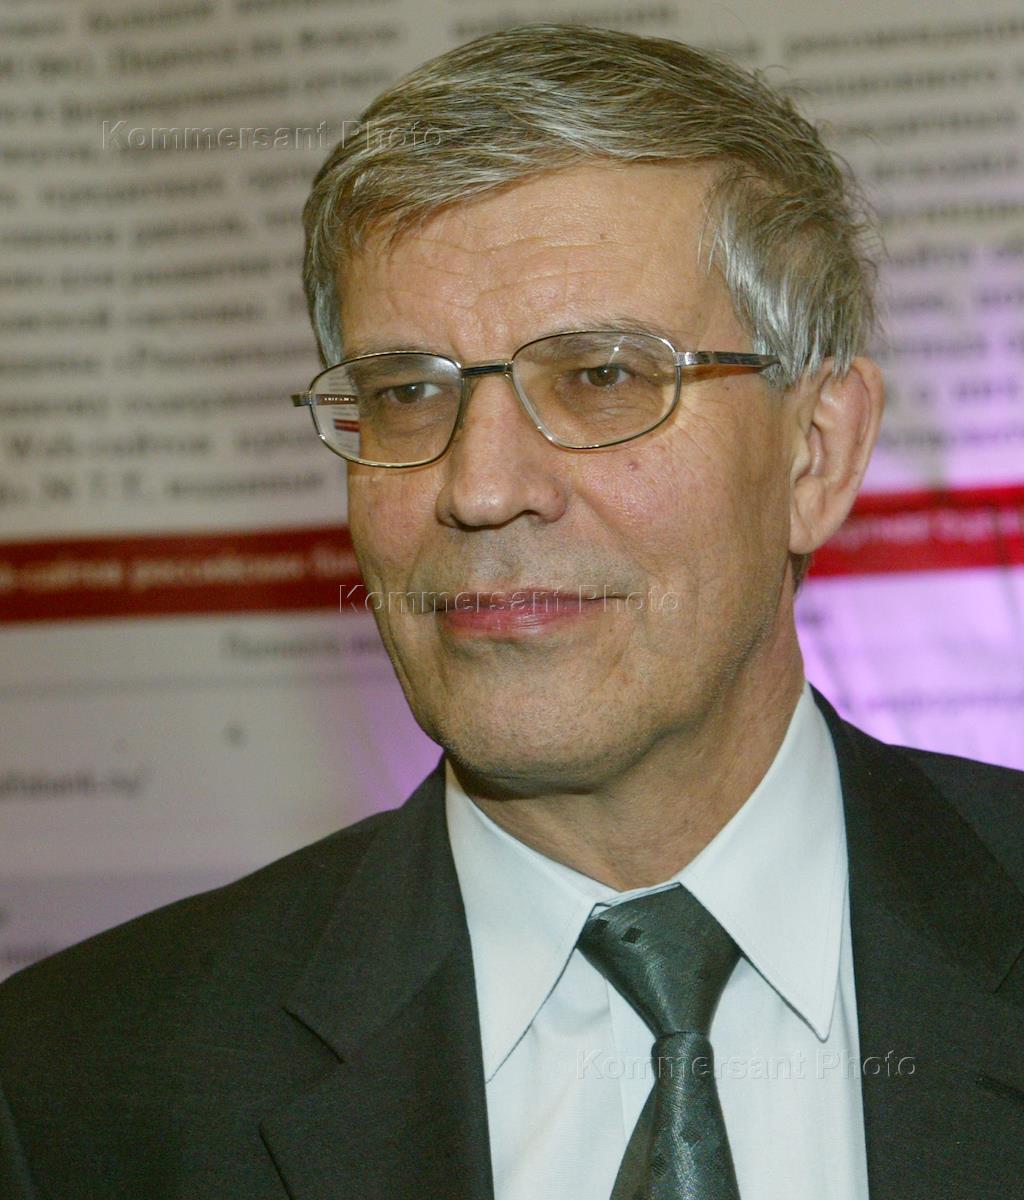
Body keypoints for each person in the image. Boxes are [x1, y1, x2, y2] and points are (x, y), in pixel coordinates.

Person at [1, 23, 1022, 1200]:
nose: (480, 489)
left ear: (816, 453)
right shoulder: (80, 1091)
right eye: (405, 394)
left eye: (600, 377)